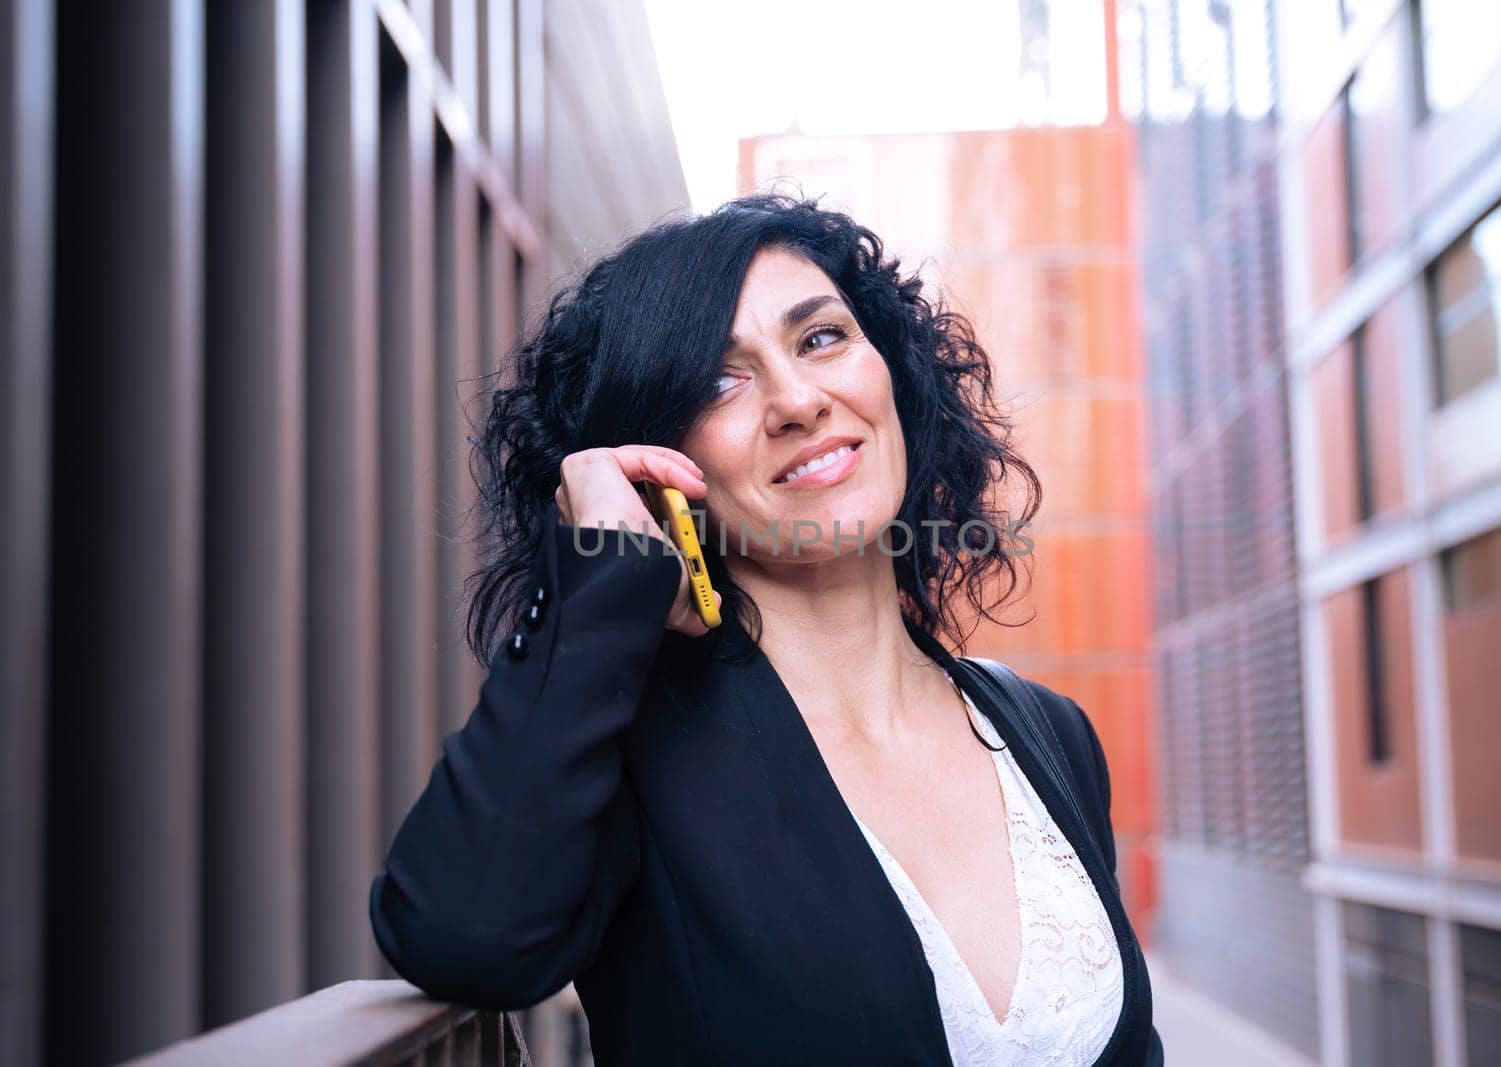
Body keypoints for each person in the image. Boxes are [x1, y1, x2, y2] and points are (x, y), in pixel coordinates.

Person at [368, 194, 1163, 1065]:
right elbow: (460, 931)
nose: (797, 401)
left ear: (890, 371)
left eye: (821, 337)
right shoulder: (626, 765)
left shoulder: (1050, 733)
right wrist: (601, 576)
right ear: (664, 463)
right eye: (719, 380)